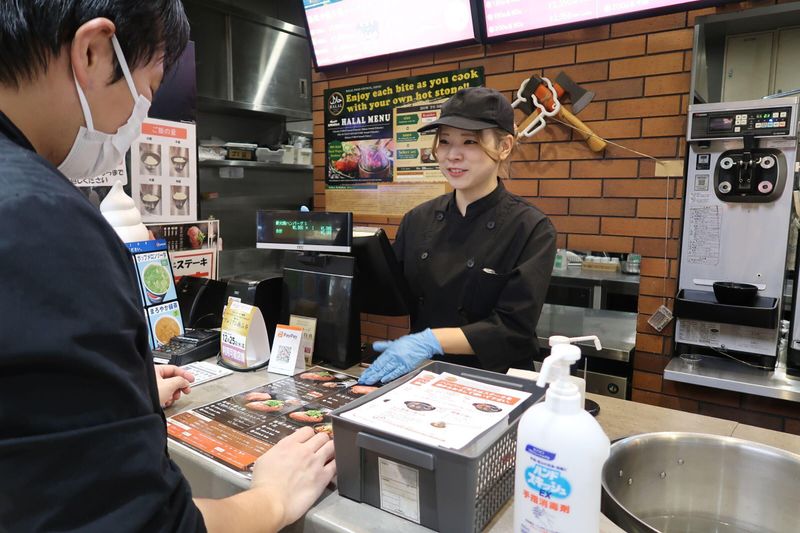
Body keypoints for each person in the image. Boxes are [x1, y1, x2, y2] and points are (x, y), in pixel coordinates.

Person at [0, 3, 334, 532]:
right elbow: (138, 523)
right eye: (149, 87)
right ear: (93, 51)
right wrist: (271, 498)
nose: (141, 114)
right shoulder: (39, 218)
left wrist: (112, 399)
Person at [360, 87, 557, 385]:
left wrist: (428, 340)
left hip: (496, 380)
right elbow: (392, 296)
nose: (453, 154)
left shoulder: (530, 227)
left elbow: (513, 328)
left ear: (504, 146)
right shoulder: (417, 220)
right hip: (426, 375)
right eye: (445, 141)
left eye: (470, 141)